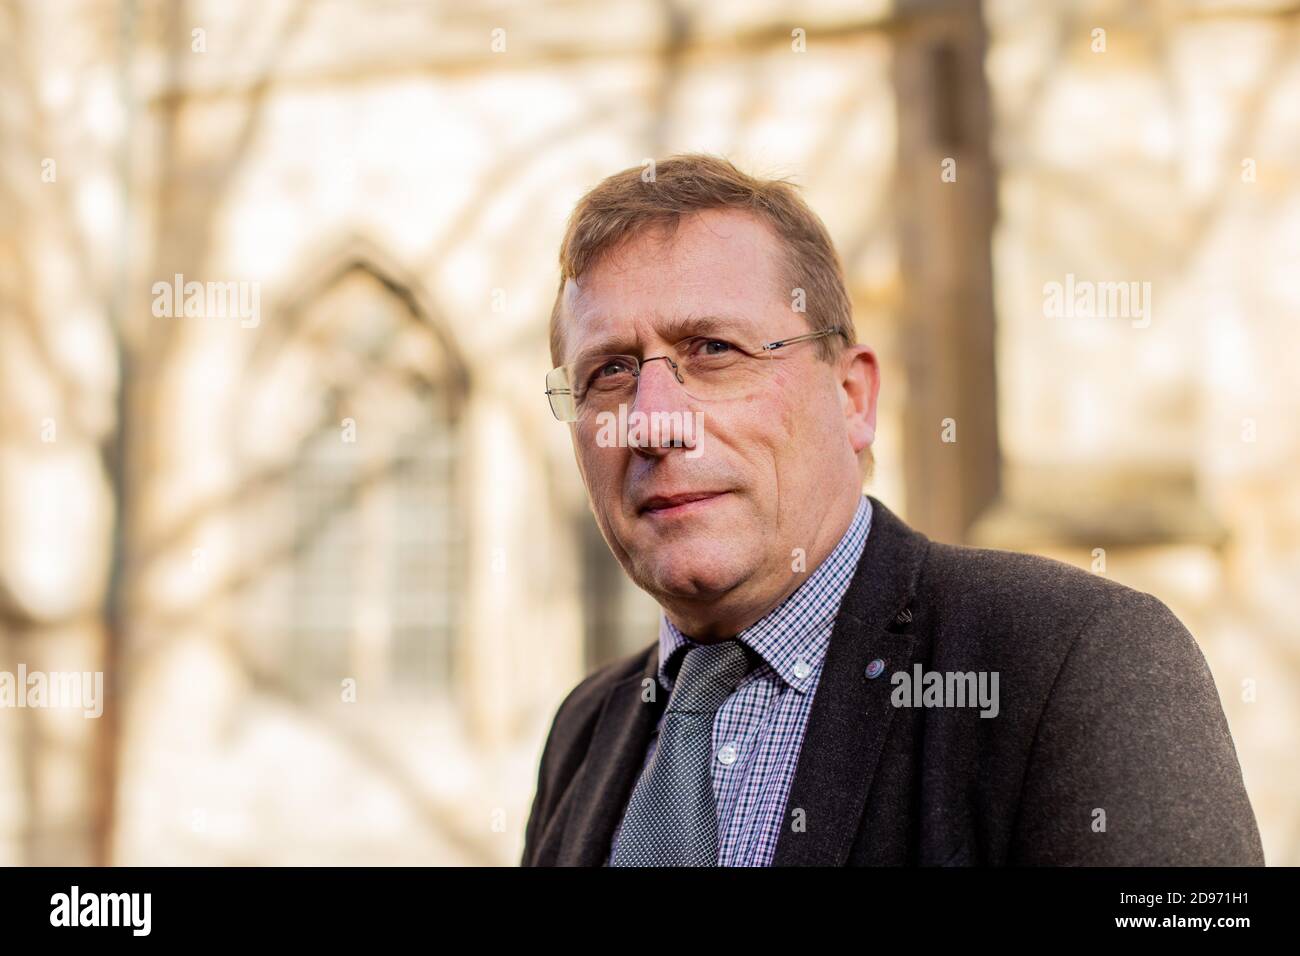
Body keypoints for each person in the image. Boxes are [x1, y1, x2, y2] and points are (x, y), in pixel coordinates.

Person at [521, 154, 1263, 866]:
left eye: (714, 350)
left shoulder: (1073, 661)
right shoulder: (586, 729)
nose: (652, 422)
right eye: (609, 372)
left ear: (853, 399)